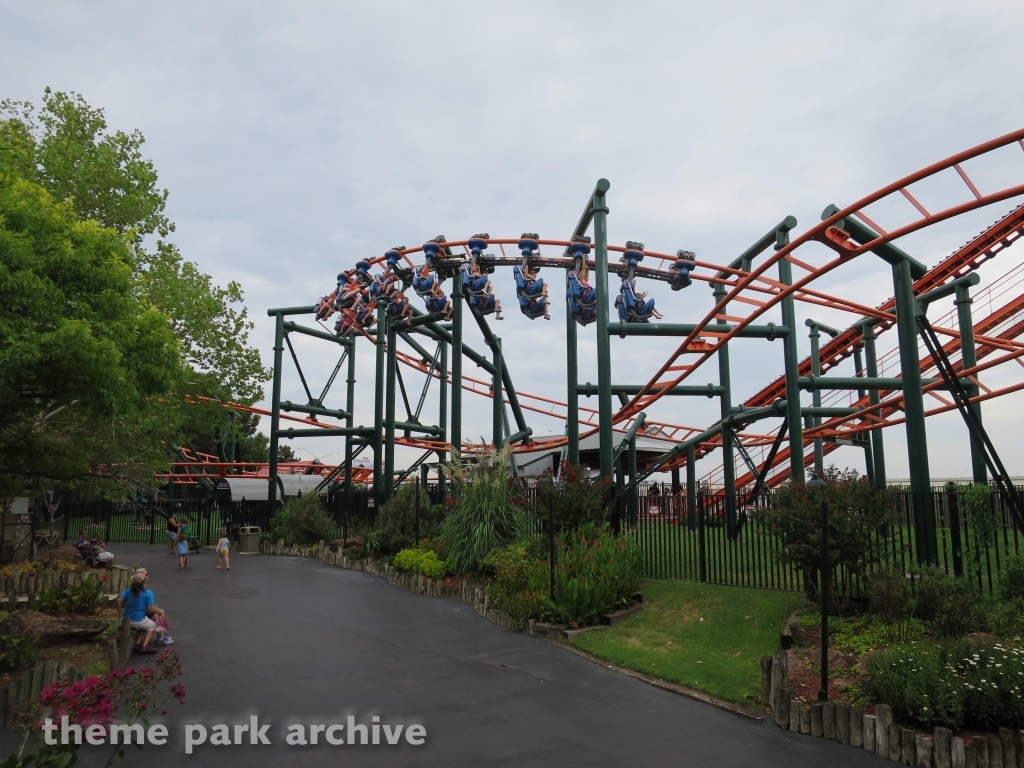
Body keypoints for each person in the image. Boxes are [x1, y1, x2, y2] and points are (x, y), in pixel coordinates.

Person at [116, 569, 172, 653]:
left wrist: (120, 613)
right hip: (137, 619)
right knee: (152, 625)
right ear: (143, 581)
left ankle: (138, 643)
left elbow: (119, 601)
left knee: (146, 622)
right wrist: (158, 611)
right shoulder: (147, 592)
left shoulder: (128, 590)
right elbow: (150, 609)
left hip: (125, 618)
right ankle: (144, 646)